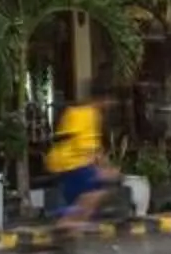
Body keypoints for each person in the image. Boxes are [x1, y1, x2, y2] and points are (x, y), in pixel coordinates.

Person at [44, 96, 119, 231]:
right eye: (109, 102)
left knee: (91, 193)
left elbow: (93, 147)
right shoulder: (88, 114)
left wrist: (103, 166)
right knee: (96, 191)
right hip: (71, 162)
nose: (109, 107)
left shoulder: (77, 112)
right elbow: (86, 146)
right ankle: (67, 221)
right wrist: (102, 169)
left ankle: (71, 223)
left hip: (65, 161)